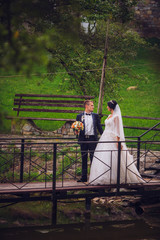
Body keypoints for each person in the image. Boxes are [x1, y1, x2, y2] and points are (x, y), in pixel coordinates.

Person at [89, 100, 144, 185]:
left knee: (113, 157)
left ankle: (115, 178)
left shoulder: (116, 117)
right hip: (105, 138)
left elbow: (118, 130)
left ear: (110, 107)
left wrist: (118, 141)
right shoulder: (109, 116)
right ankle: (102, 177)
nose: (106, 107)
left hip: (112, 138)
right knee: (103, 157)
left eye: (107, 106)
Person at [76, 100, 103, 182]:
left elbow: (99, 127)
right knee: (84, 158)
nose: (93, 107)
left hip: (92, 139)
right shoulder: (79, 116)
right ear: (86, 106)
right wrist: (76, 132)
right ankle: (83, 177)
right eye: (91, 105)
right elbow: (77, 127)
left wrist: (104, 135)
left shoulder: (95, 116)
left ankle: (93, 177)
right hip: (83, 139)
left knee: (93, 158)